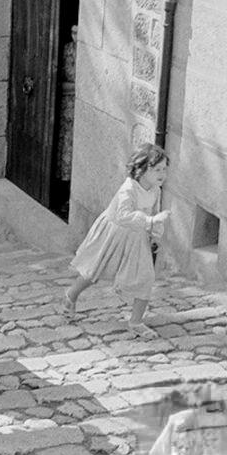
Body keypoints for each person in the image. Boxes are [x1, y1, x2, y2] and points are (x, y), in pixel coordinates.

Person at [64, 142, 171, 338]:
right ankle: (71, 294)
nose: (162, 174)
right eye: (157, 169)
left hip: (137, 236)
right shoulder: (128, 189)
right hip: (115, 234)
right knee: (94, 272)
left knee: (146, 277)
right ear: (141, 169)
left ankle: (136, 321)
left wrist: (155, 234)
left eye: (164, 169)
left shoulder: (156, 189)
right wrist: (150, 221)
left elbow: (153, 213)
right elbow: (123, 215)